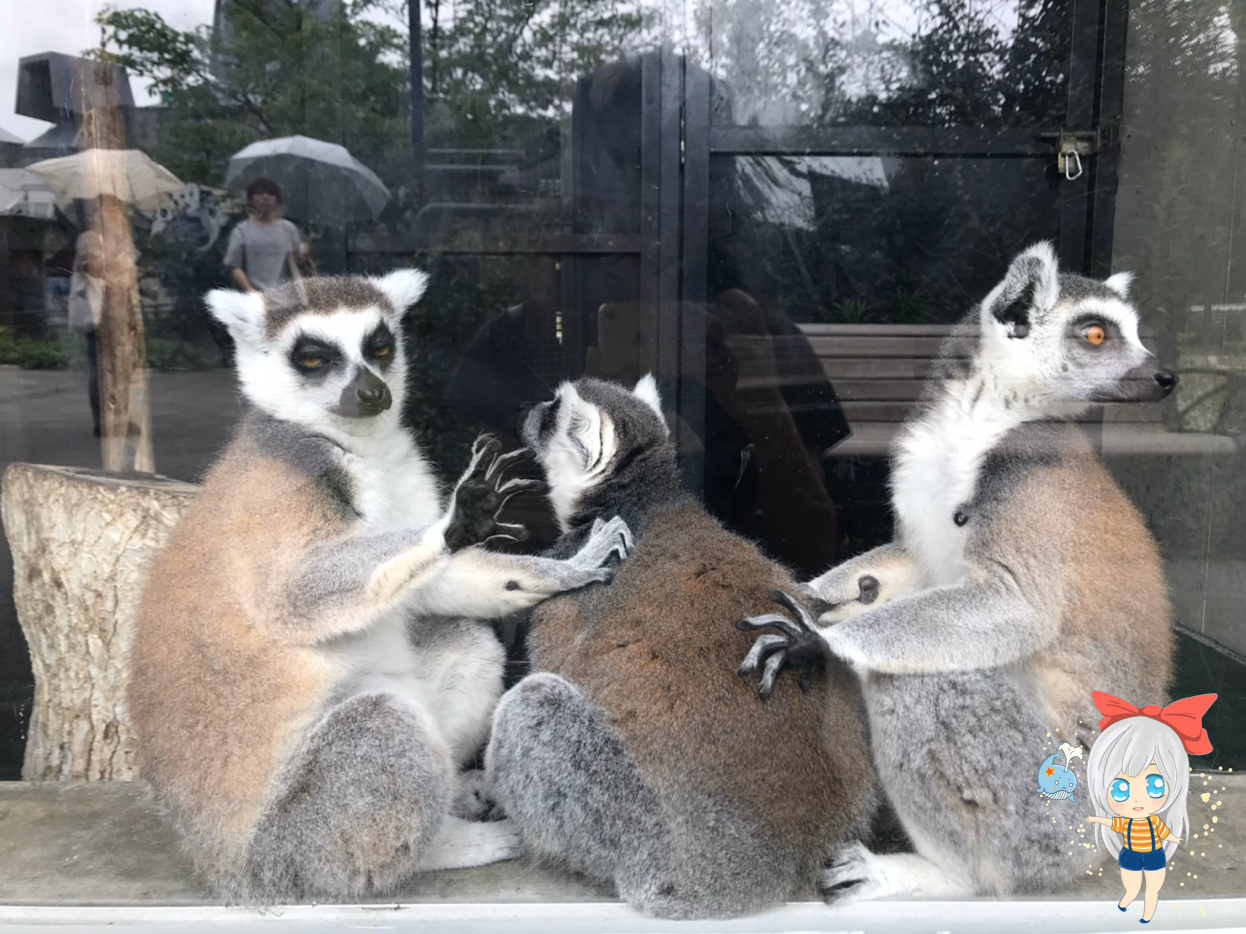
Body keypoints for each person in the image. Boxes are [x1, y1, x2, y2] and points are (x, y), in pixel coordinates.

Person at [1085, 691, 1217, 924]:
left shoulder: (1155, 819)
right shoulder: (1124, 820)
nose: (1136, 801)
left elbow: (1163, 830)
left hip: (1154, 854)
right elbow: (1114, 822)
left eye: (1154, 787)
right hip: (1130, 853)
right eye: (1121, 790)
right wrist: (1097, 820)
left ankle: (1147, 912)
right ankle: (1129, 898)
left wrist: (1174, 838)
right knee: (1132, 884)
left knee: (1153, 887)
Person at [222, 177, 312, 292]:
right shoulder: (241, 230)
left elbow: (299, 259)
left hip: (286, 297)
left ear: (276, 200)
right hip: (256, 298)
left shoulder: (288, 228)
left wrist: (302, 250)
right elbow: (235, 266)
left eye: (270, 194)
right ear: (251, 199)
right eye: (260, 193)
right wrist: (251, 292)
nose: (265, 197)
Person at [68, 228, 104, 436]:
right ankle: (102, 421)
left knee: (105, 371)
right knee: (100, 371)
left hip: (106, 317)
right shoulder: (92, 238)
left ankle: (109, 420)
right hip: (99, 319)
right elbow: (91, 266)